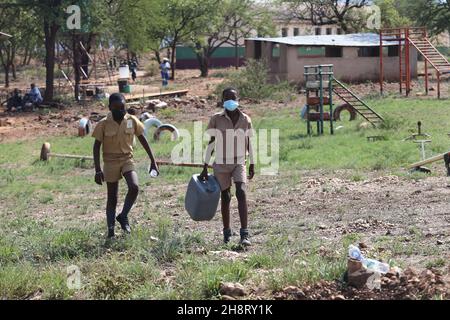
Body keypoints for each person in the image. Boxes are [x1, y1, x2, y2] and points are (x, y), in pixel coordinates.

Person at [92, 93, 159, 239]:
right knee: (112, 197)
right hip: (110, 161)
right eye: (116, 108)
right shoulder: (103, 124)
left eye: (122, 108)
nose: (120, 111)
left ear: (125, 107)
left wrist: (153, 161)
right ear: (110, 108)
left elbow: (143, 139)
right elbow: (96, 147)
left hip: (127, 159)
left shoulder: (131, 120)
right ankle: (111, 231)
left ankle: (123, 216)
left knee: (134, 187)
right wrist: (97, 169)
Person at [200, 88, 255, 246]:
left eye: (233, 97)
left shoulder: (246, 120)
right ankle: (227, 232)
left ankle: (244, 234)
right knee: (225, 197)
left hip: (239, 162)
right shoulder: (216, 119)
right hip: (221, 163)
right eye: (227, 98)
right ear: (222, 100)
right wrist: (205, 165)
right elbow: (211, 143)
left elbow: (249, 142)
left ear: (238, 98)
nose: (230, 100)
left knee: (241, 192)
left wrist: (252, 162)